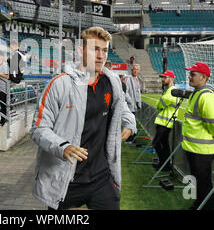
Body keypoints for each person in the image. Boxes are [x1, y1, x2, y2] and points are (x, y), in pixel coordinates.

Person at [30, 26, 136, 210]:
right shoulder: (60, 84)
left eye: (104, 50)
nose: (101, 55)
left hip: (101, 176)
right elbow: (39, 129)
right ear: (80, 50)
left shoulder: (112, 82)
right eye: (95, 49)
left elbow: (122, 107)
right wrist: (63, 147)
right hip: (68, 178)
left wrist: (130, 124)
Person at [182, 62, 214, 210]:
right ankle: (198, 205)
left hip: (202, 150)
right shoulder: (197, 93)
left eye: (193, 74)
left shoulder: (206, 97)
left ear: (204, 77)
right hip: (194, 148)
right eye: (190, 74)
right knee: (198, 182)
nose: (190, 76)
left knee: (204, 184)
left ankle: (206, 207)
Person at [152, 70, 178, 172]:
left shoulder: (172, 91)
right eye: (162, 77)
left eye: (165, 77)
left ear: (171, 79)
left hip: (165, 123)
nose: (162, 79)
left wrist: (160, 102)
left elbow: (160, 104)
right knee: (164, 144)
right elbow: (161, 103)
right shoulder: (169, 91)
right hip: (164, 122)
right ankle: (164, 165)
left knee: (156, 143)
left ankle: (164, 165)